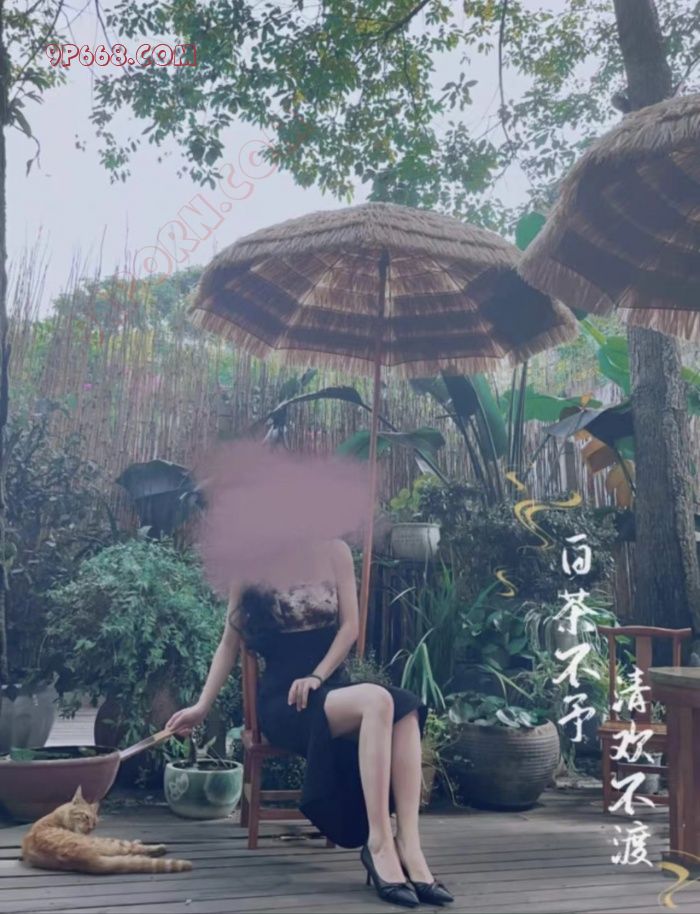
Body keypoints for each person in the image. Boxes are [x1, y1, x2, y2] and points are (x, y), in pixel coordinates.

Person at [167, 537, 453, 908]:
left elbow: (350, 628)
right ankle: (379, 843)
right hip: (285, 700)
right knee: (379, 700)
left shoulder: (335, 551)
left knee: (406, 710)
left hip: (328, 685)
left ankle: (410, 846)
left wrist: (318, 676)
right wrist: (201, 706)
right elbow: (228, 644)